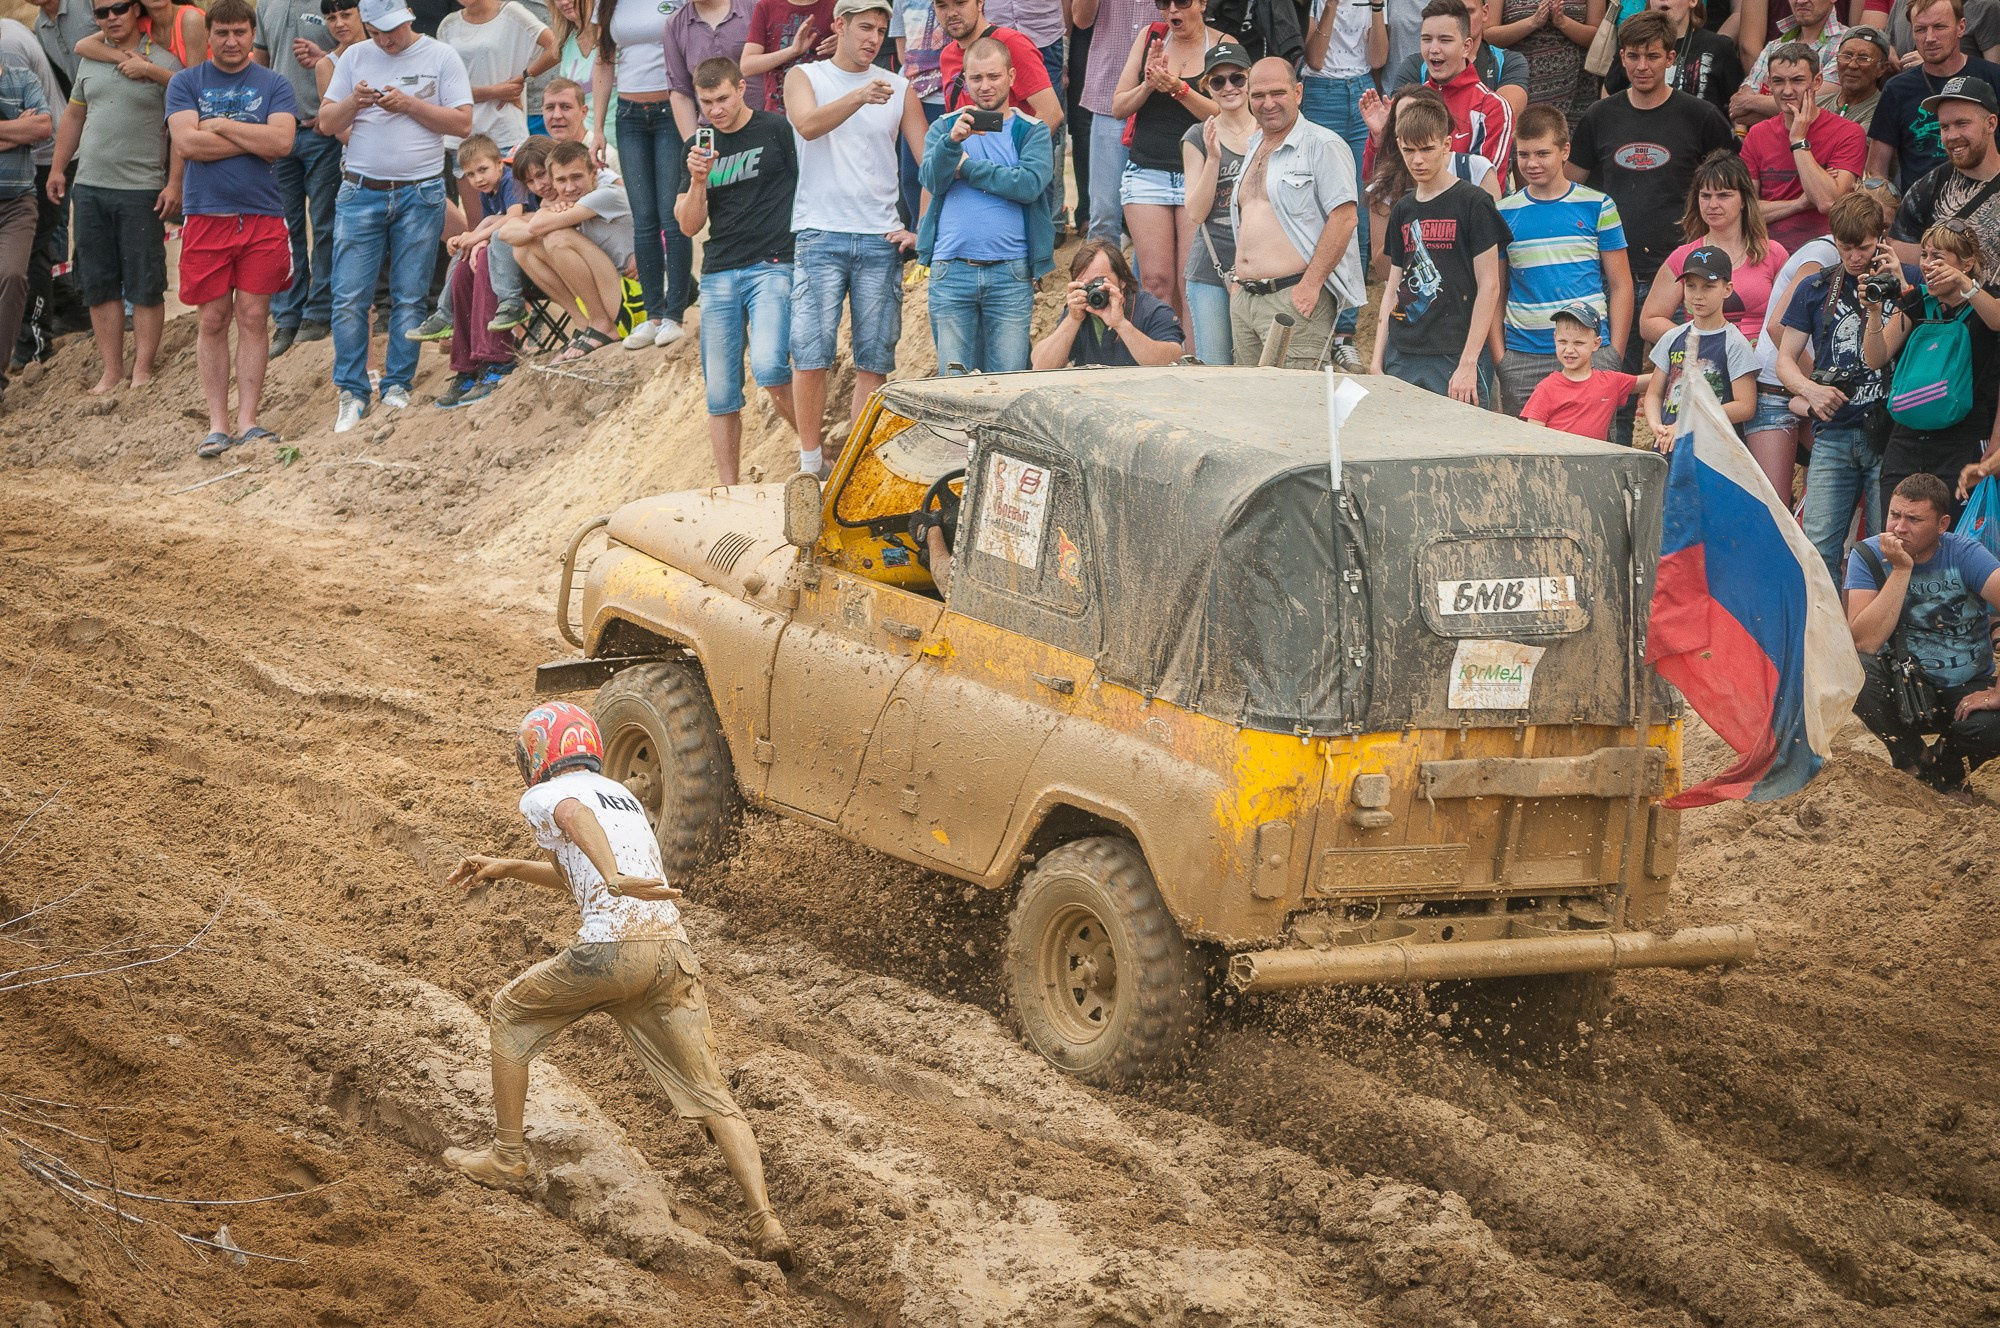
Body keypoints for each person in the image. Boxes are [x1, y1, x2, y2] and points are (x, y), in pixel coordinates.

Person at [443, 702, 795, 1270]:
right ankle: (764, 1220)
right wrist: (506, 867)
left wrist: (611, 878)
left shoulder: (545, 795)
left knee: (509, 1011)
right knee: (712, 1095)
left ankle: (508, 1159)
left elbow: (574, 819)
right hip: (671, 954)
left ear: (538, 754)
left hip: (611, 951)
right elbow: (570, 870)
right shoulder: (621, 794)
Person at [1571, 12, 1738, 446]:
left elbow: (1733, 185)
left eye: (1651, 56)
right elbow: (1571, 186)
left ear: (1670, 58)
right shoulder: (1599, 116)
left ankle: (1682, 469)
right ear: (1621, 58)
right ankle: (1612, 469)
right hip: (1613, 273)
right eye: (1632, 56)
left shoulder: (1701, 116)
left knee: (1690, 383)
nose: (1642, 65)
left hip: (1685, 276)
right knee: (1613, 386)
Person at [783, 0, 927, 477]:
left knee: (874, 358)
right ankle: (809, 464)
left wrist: (921, 226)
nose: (873, 38)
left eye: (882, 31)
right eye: (865, 27)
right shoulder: (805, 77)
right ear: (839, 26)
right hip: (819, 231)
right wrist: (860, 96)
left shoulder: (901, 86)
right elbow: (806, 125)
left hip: (880, 236)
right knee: (809, 354)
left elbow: (929, 162)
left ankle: (855, 469)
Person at [317, 0, 473, 434]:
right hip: (361, 187)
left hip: (420, 190)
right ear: (366, 25)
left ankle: (397, 385)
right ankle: (352, 391)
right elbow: (327, 123)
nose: (386, 39)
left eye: (393, 29)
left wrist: (409, 106)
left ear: (408, 17)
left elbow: (462, 123)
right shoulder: (354, 55)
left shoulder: (441, 55)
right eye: (377, 30)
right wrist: (354, 102)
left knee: (409, 295)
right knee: (349, 296)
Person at [163, 0, 296, 457]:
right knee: (213, 319)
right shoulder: (186, 82)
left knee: (255, 317)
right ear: (210, 35)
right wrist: (248, 137)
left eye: (240, 32)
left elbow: (280, 142)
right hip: (206, 217)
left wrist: (218, 125)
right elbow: (186, 143)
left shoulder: (273, 82)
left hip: (262, 216)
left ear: (251, 33)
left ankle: (249, 420)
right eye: (223, 33)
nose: (232, 42)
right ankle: (217, 424)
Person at [675, 56, 800, 483]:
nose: (715, 110)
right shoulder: (698, 146)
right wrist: (697, 181)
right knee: (721, 393)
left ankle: (814, 451)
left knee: (770, 367)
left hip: (773, 263)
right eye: (706, 102)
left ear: (742, 87)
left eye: (722, 98)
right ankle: (729, 489)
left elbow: (806, 185)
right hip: (719, 269)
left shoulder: (775, 128)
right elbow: (688, 225)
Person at [47, 0, 177, 395]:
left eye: (118, 8)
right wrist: (57, 167)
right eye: (102, 13)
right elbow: (74, 116)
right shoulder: (91, 58)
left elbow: (182, 128)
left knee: (145, 282)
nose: (111, 18)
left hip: (141, 187)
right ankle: (111, 370)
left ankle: (143, 368)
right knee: (98, 282)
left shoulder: (165, 61)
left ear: (135, 10)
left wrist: (175, 183)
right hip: (89, 185)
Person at [1844, 471, 2000, 792]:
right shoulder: (1869, 555)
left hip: (1966, 689)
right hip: (1903, 690)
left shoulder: (1965, 554)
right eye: (1894, 515)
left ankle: (1946, 760)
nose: (1899, 528)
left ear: (1942, 525)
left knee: (1992, 729)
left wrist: (1999, 691)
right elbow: (1864, 641)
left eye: (1914, 519)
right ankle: (1915, 759)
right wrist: (1901, 568)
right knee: (1851, 666)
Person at [1642, 151, 1791, 484]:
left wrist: (1744, 345)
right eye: (1705, 195)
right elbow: (1650, 319)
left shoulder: (1773, 253)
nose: (1713, 203)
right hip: (1704, 378)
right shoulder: (1685, 256)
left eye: (1724, 194)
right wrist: (1707, 342)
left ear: (1743, 200)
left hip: (1764, 382)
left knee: (1764, 489)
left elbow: (1794, 321)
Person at [917, 37, 1054, 374]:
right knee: (954, 386)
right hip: (951, 270)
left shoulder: (1031, 130)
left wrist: (967, 168)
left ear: (1011, 76)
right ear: (965, 80)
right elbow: (932, 181)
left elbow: (1028, 185)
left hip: (1010, 273)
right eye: (976, 79)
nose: (986, 86)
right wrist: (951, 145)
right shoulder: (945, 127)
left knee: (1006, 384)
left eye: (993, 77)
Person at [1776, 191, 1892, 581]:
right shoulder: (1815, 286)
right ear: (1833, 240)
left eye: (1863, 247)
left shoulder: (1905, 282)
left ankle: (1875, 640)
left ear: (1882, 235)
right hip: (1834, 431)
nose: (1856, 257)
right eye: (1845, 248)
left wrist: (1899, 280)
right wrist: (1810, 391)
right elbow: (1784, 361)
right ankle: (1823, 638)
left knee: (1885, 548)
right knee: (1818, 546)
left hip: (1888, 431)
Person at [1497, 103, 1632, 415]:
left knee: (1590, 452)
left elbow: (1621, 284)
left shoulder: (1598, 205)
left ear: (1565, 150)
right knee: (1524, 455)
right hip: (1523, 354)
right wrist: (1501, 357)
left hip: (1589, 354)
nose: (1531, 163)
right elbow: (1497, 288)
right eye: (1523, 154)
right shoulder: (1503, 212)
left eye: (1542, 153)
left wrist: (1613, 354)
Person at [1227, 56, 1362, 369]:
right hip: (1246, 298)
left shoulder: (1323, 144)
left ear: (1298, 92)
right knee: (1249, 410)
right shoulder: (1253, 145)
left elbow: (1345, 219)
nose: (1268, 103)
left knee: (1292, 409)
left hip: (1294, 296)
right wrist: (1238, 284)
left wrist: (1311, 285)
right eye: (1258, 96)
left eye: (1278, 93)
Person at [1862, 218, 2000, 519]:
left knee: (1953, 541)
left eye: (1938, 256)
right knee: (1896, 534)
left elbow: (1996, 321)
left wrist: (1966, 285)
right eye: (1924, 255)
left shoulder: (1986, 303)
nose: (1927, 264)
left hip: (1961, 440)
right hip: (1907, 437)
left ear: (1966, 264)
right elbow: (1876, 356)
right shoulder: (1917, 301)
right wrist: (1874, 314)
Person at [1372, 90, 1506, 401]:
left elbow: (1490, 286)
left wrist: (1469, 361)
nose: (1417, 159)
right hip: (1403, 349)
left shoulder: (1474, 202)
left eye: (1427, 149)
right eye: (1408, 150)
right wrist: (1377, 359)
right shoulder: (1403, 209)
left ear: (1446, 144)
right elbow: (1392, 287)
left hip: (1455, 350)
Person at [588, 0, 695, 351]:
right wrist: (599, 127)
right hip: (629, 114)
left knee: (670, 212)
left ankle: (675, 314)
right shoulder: (607, 3)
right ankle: (653, 314)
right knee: (643, 217)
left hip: (671, 108)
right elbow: (603, 62)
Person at [1109, 0, 1222, 326]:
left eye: (1183, 2)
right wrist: (1148, 84)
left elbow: (1226, 114)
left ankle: (1191, 364)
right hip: (1146, 173)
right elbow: (1119, 106)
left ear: (1201, 4)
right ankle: (1161, 361)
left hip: (1197, 175)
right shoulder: (1150, 37)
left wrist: (1178, 89)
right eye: (1163, 3)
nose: (1172, 9)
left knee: (1191, 283)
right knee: (1156, 282)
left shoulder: (1223, 43)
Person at [1300, 0, 1382, 372]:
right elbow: (1315, 58)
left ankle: (1344, 335)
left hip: (1362, 89)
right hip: (1319, 93)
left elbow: (1378, 58)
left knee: (1358, 218)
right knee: (1320, 211)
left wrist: (1378, 8)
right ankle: (1317, 321)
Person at [257, 0, 342, 357]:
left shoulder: (333, 5)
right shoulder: (265, 3)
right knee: (282, 228)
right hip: (279, 134)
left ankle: (318, 312)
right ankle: (287, 315)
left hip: (320, 131)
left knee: (324, 225)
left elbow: (356, 49)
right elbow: (259, 61)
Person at [500, 138, 636, 359]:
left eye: (576, 177)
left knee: (557, 238)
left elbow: (536, 226)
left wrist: (547, 214)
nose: (569, 187)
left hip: (635, 298)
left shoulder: (605, 192)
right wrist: (549, 210)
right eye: (561, 180)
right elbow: (506, 233)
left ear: (593, 174)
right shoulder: (567, 200)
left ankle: (602, 325)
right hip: (613, 290)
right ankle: (585, 324)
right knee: (523, 249)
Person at [422, 133, 530, 401]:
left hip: (529, 257)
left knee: (482, 258)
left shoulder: (512, 179)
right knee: (465, 259)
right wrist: (468, 240)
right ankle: (467, 365)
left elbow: (512, 219)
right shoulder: (487, 191)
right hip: (504, 250)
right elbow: (490, 221)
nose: (478, 179)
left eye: (483, 170)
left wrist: (478, 239)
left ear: (499, 163)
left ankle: (498, 360)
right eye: (470, 175)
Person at [1867, 0, 2000, 194]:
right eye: (1920, 29)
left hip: (1988, 208)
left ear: (1961, 27)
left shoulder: (1993, 78)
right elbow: (1876, 171)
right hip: (1921, 213)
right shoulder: (1897, 89)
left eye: (1939, 27)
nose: (1930, 38)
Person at [1743, 39, 1864, 252]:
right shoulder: (1757, 134)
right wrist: (1798, 204)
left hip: (1826, 249)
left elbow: (1827, 202)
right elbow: (1744, 210)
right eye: (1779, 81)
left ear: (1817, 82)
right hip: (1766, 249)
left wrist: (1798, 140)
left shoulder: (1848, 132)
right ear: (1769, 84)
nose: (1787, 90)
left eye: (1797, 80)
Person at [438, 0, 556, 217]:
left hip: (505, 134)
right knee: (478, 224)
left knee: (517, 221)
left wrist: (523, 78)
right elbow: (444, 89)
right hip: (464, 137)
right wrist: (494, 91)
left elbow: (554, 47)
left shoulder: (511, 12)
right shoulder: (448, 25)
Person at [1182, 41, 1253, 365]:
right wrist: (1213, 159)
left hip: (1261, 265)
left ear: (1249, 79)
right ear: (1206, 87)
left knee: (1260, 371)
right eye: (1218, 80)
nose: (1229, 87)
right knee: (1216, 371)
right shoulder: (1197, 135)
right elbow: (1195, 212)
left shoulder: (1268, 131)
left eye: (1236, 78)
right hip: (1211, 266)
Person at [0, 17, 64, 377]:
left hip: (17, 201)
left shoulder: (21, 79)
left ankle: (8, 366)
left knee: (12, 275)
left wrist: (27, 131)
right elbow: (30, 128)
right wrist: (16, 132)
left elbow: (42, 126)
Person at [1644, 243, 1760, 441]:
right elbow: (1654, 393)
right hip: (1670, 442)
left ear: (1727, 289)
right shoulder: (1672, 337)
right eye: (1691, 286)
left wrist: (1689, 422)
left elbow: (1745, 406)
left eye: (1708, 287)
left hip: (1714, 450)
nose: (1698, 295)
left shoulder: (1734, 343)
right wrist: (1656, 425)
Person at [1890, 75, 2000, 282]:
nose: (1951, 136)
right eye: (1944, 127)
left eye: (1962, 123)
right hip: (1947, 312)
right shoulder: (1925, 189)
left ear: (1991, 123)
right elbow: (1903, 266)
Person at [1388, 0, 1514, 176]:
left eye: (1445, 40)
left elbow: (1485, 188)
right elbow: (1383, 181)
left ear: (1466, 47)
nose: (1433, 49)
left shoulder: (1492, 107)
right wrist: (1379, 137)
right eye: (1426, 39)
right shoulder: (1410, 103)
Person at [1031, 235, 1185, 364]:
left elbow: (1172, 359)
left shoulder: (1150, 310)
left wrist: (1121, 325)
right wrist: (1072, 321)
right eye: (1086, 285)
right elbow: (1040, 366)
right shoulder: (1078, 312)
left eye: (1100, 281)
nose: (1095, 291)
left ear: (1122, 280)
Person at [1076, 0, 1150, 244]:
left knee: (1154, 208)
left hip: (1160, 98)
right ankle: (1100, 279)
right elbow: (1080, 19)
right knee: (1104, 212)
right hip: (1109, 93)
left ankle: (1146, 283)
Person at [1522, 301, 1651, 437]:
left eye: (1579, 343)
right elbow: (1534, 437)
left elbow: (1655, 380)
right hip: (1558, 458)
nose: (1569, 350)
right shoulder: (1546, 388)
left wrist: (1674, 358)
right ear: (1555, 338)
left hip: (1597, 458)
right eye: (1562, 341)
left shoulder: (1611, 381)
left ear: (1596, 344)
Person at [1388, 0, 1530, 115]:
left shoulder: (1508, 62)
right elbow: (1400, 123)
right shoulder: (1415, 65)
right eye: (1452, 12)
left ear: (1485, 12)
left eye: (1468, 11)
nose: (1461, 20)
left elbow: (1504, 117)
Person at [1604, 0, 1742, 118]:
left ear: (1693, 1)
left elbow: (1736, 104)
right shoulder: (1633, 44)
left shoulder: (1719, 47)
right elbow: (1609, 92)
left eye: (1652, 56)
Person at [1481, 0, 1604, 126]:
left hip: (1577, 86)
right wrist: (1532, 22)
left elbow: (1599, 37)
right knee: (1524, 137)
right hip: (1520, 80)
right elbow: (1487, 35)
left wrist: (1563, 23)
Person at [1733, 0, 1844, 127]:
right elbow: (1738, 109)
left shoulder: (1847, 46)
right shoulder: (1774, 45)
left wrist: (1750, 103)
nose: (1801, 1)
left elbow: (1813, 103)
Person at [666, 0, 763, 143]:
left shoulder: (755, 7)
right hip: (713, 132)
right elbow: (680, 91)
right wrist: (695, 145)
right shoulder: (675, 23)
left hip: (761, 125)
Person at [890, 0, 949, 225]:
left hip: (947, 94)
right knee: (912, 174)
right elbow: (902, 48)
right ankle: (919, 235)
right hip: (914, 94)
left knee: (942, 168)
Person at [741, 0, 836, 115]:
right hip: (778, 113)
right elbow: (747, 66)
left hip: (824, 111)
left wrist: (844, 42)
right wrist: (792, 51)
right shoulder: (766, 6)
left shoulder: (836, 6)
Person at [1819, 23, 1889, 128]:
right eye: (1846, 56)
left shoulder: (1884, 112)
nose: (1852, 65)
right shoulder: (1815, 104)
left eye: (1864, 58)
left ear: (1882, 68)